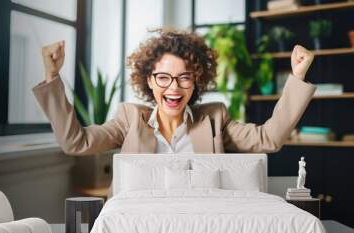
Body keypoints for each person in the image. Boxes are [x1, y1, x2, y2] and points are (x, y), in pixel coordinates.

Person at [32, 29, 315, 197]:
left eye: (185, 78)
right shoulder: (129, 118)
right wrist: (51, 76)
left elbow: (268, 139)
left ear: (196, 81)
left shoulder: (214, 118)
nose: (174, 88)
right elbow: (75, 142)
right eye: (164, 77)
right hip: (138, 224)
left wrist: (298, 77)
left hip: (201, 224)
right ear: (150, 80)